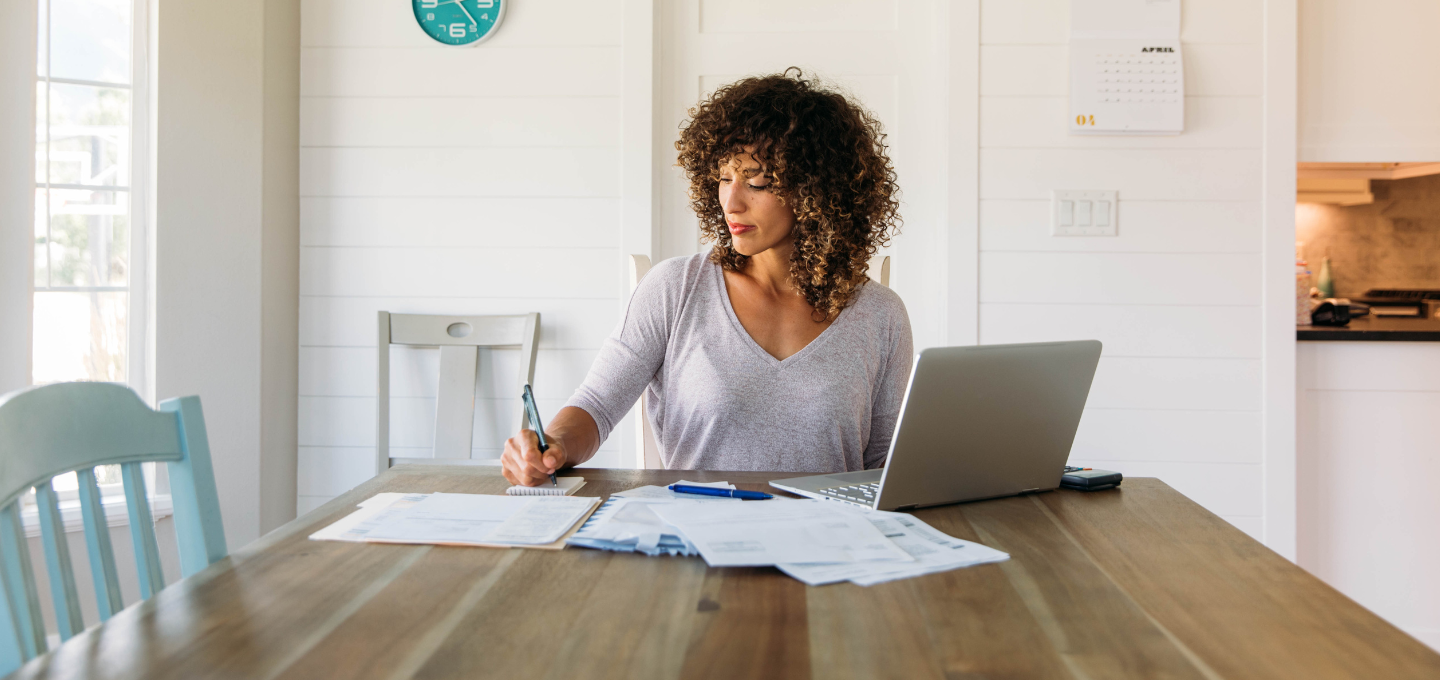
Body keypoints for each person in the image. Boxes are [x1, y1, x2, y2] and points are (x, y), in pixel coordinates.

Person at [502, 68, 913, 486]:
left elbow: (886, 466)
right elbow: (596, 406)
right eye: (723, 178)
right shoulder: (675, 288)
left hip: (830, 541)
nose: (731, 203)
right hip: (696, 536)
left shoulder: (880, 314)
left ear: (818, 191)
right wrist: (551, 445)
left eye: (758, 182)